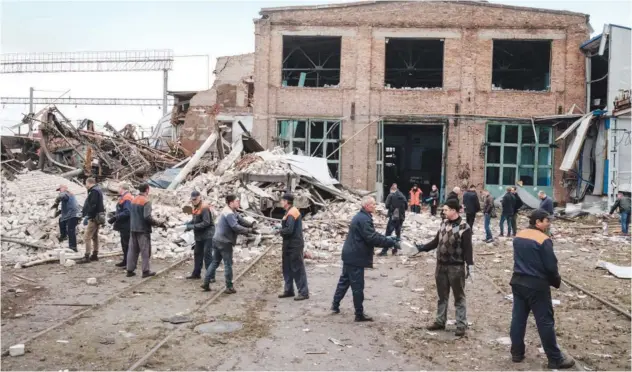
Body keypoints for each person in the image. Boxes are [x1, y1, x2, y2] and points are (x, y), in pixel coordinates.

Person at [509, 209, 575, 369]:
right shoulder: (543, 239)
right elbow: (551, 267)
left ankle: (516, 353)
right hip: (537, 285)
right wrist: (557, 282)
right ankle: (555, 358)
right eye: (547, 221)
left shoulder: (519, 235)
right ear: (538, 222)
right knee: (545, 321)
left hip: (518, 281)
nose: (549, 224)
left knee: (518, 318)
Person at [331, 196, 399, 321]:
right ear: (367, 206)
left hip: (350, 254)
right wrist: (389, 242)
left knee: (345, 281)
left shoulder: (361, 217)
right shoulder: (364, 219)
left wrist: (387, 238)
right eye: (373, 204)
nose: (375, 206)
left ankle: (335, 305)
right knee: (357, 286)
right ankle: (359, 314)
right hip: (356, 256)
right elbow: (371, 238)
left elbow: (371, 234)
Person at [416, 199, 473, 337]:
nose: (443, 211)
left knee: (459, 297)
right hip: (441, 266)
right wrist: (422, 248)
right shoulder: (443, 224)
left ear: (454, 210)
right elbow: (436, 242)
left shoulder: (464, 227)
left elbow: (468, 249)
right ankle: (440, 321)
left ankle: (461, 324)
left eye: (446, 209)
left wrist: (470, 266)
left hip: (456, 267)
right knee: (442, 296)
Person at [202, 194, 255, 293]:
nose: (238, 203)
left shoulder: (231, 211)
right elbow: (235, 227)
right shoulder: (229, 213)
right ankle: (229, 287)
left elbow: (241, 220)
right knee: (228, 264)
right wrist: (249, 230)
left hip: (217, 239)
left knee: (215, 262)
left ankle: (206, 283)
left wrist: (252, 225)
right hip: (224, 241)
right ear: (231, 203)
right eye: (237, 201)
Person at [277, 194, 309, 301]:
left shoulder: (292, 213)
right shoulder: (289, 212)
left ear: (286, 202)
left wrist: (279, 231)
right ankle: (289, 290)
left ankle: (303, 292)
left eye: (282, 200)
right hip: (288, 244)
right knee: (287, 267)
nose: (281, 202)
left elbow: (289, 230)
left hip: (294, 244)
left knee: (297, 268)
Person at [127, 183, 160, 278]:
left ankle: (130, 270)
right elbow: (147, 217)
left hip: (133, 228)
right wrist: (157, 223)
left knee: (132, 250)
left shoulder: (133, 200)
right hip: (143, 230)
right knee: (145, 251)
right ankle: (145, 271)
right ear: (147, 190)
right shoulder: (146, 201)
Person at [184, 191, 214, 279]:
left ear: (199, 197)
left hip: (208, 234)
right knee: (197, 253)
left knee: (207, 255)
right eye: (193, 200)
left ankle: (211, 276)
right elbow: (194, 220)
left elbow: (206, 223)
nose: (194, 201)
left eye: (195, 199)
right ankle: (196, 274)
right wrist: (186, 225)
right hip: (199, 235)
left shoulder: (204, 207)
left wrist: (192, 226)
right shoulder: (195, 208)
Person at [108, 184, 133, 268]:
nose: (117, 189)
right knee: (124, 243)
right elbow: (123, 209)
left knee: (127, 244)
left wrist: (115, 217)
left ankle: (129, 262)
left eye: (118, 187)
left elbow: (127, 212)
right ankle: (125, 261)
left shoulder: (127, 198)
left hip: (126, 224)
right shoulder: (125, 197)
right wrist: (115, 214)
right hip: (124, 224)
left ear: (122, 188)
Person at [81, 177, 105, 262]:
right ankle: (95, 254)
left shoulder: (94, 191)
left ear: (89, 183)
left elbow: (93, 205)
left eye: (86, 183)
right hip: (98, 216)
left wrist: (88, 216)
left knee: (87, 236)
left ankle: (87, 256)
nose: (85, 185)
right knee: (95, 236)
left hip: (94, 217)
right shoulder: (98, 190)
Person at [51, 184, 81, 252]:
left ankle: (73, 247)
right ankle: (63, 236)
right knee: (61, 220)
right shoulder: (70, 194)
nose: (59, 191)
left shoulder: (65, 193)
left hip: (72, 214)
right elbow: (69, 205)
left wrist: (56, 202)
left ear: (64, 188)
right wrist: (59, 212)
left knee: (71, 230)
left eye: (60, 189)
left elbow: (62, 196)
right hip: (74, 213)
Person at [379, 183, 407, 256]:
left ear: (391, 190)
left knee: (388, 234)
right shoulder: (402, 196)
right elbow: (406, 206)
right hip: (401, 218)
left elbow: (387, 205)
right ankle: (395, 250)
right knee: (398, 234)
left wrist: (392, 207)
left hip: (393, 218)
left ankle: (384, 251)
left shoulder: (390, 195)